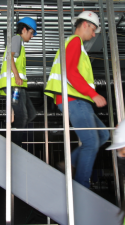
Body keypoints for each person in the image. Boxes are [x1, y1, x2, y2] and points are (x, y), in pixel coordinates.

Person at [44, 11, 109, 188]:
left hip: (78, 99)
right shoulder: (75, 41)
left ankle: (70, 162)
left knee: (103, 134)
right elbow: (70, 71)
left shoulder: (75, 44)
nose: (94, 34)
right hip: (74, 98)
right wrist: (93, 93)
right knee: (91, 142)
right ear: (85, 25)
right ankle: (82, 187)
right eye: (93, 29)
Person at [0, 17, 38, 147]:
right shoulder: (16, 39)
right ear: (24, 29)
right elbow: (10, 58)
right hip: (14, 86)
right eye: (31, 33)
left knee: (31, 114)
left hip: (19, 87)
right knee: (23, 116)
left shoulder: (20, 43)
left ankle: (11, 135)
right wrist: (16, 76)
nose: (32, 36)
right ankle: (14, 145)